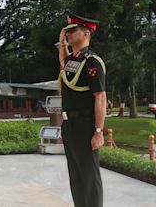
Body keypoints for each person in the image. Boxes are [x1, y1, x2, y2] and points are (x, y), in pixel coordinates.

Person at [58, 13, 106, 207]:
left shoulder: (92, 61)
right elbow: (63, 68)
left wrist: (98, 131)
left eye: (72, 31)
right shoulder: (73, 60)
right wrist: (63, 45)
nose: (68, 34)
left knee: (89, 175)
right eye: (67, 31)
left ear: (86, 33)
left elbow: (100, 97)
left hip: (85, 124)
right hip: (69, 124)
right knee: (76, 175)